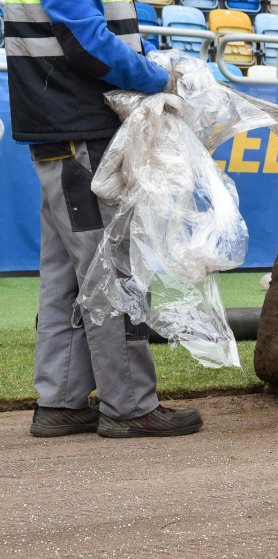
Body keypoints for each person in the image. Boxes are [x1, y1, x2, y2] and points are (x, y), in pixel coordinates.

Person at [4, 0, 203, 437]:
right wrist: (159, 79)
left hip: (63, 133)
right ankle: (129, 405)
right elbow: (87, 44)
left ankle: (61, 401)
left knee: (66, 277)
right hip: (83, 131)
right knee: (112, 273)